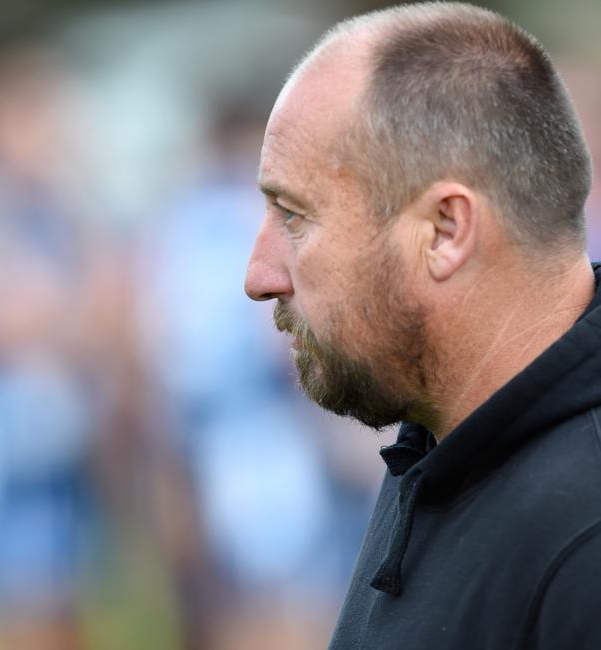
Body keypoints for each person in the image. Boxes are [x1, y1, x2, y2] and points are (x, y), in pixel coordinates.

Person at [244, 3, 601, 649]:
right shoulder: (443, 435)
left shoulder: (585, 540)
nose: (259, 274)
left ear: (445, 231)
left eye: (294, 217)